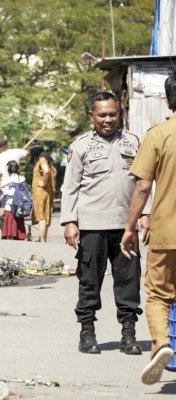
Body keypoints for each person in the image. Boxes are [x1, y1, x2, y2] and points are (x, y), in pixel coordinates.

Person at [60, 91, 150, 355]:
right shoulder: (80, 146)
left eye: (112, 114)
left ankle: (128, 335)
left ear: (119, 112)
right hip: (92, 226)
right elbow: (70, 187)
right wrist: (69, 221)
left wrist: (146, 214)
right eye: (102, 115)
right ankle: (87, 333)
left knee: (129, 283)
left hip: (126, 227)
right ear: (92, 116)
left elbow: (145, 182)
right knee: (89, 282)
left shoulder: (134, 142)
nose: (108, 119)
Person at [120, 71, 176, 385]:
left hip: (166, 233)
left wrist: (130, 227)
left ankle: (162, 344)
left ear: (167, 100)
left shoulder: (158, 135)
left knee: (157, 295)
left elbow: (142, 187)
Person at [0, 138, 28, 215]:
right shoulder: (16, 151)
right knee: (17, 207)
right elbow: (28, 153)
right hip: (17, 183)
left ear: (3, 147)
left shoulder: (0, 156)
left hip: (6, 185)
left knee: (4, 208)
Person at [30, 144, 56, 242]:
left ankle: (42, 239)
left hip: (41, 191)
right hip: (47, 191)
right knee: (45, 213)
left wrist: (43, 182)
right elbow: (53, 172)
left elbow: (47, 172)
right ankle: (42, 238)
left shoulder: (42, 160)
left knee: (41, 215)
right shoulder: (48, 161)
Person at [0, 160, 27, 240]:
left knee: (10, 220)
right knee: (19, 220)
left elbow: (6, 192)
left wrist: (2, 190)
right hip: (20, 206)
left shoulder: (7, 180)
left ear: (8, 170)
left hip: (10, 206)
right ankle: (20, 235)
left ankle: (10, 234)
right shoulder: (22, 178)